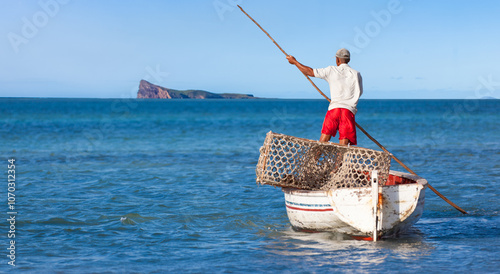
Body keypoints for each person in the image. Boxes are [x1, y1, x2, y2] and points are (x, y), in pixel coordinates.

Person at [286, 48, 363, 146]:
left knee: (323, 141)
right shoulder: (357, 74)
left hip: (334, 110)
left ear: (337, 60)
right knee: (344, 145)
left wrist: (295, 62)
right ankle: (339, 162)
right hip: (348, 111)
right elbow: (359, 92)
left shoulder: (331, 70)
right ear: (349, 60)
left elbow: (310, 71)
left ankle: (312, 160)